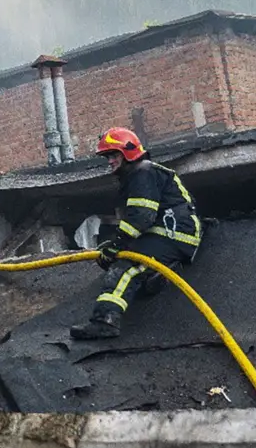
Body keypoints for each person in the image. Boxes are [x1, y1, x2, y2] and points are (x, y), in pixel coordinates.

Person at [70, 127, 202, 340]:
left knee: (125, 269)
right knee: (123, 261)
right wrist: (116, 245)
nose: (109, 161)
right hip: (167, 234)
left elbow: (142, 217)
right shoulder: (139, 175)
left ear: (127, 152)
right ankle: (153, 276)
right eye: (108, 157)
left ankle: (105, 322)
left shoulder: (143, 172)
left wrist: (118, 244)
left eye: (113, 155)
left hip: (171, 234)